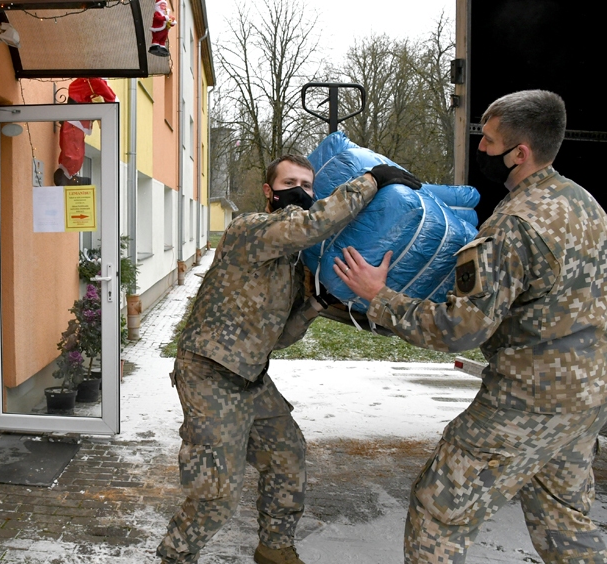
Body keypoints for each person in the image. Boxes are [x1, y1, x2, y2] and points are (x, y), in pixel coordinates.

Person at [333, 89, 607, 563]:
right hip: (585, 398)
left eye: (490, 141)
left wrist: (379, 297)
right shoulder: (586, 206)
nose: (480, 148)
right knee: (568, 523)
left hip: (525, 400)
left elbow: (461, 330)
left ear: (520, 153)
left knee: (437, 510)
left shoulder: (514, 225)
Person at [157, 154, 421, 564]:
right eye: (290, 182)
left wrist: (315, 304)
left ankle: (274, 547)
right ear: (269, 191)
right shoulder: (249, 229)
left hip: (251, 377)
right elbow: (313, 224)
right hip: (208, 373)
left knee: (287, 456)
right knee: (217, 492)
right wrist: (371, 179)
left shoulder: (294, 263)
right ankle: (175, 556)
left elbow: (279, 337)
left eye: (307, 184)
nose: (300, 190)